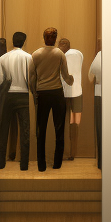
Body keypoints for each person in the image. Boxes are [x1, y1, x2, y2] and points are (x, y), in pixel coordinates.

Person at [29, 27, 74, 171]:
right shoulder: (59, 54)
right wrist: (72, 80)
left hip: (42, 93)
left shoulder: (35, 54)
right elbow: (66, 76)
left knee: (41, 130)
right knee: (59, 129)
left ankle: (41, 165)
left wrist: (34, 92)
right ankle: (57, 163)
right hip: (56, 93)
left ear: (44, 38)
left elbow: (31, 78)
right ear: (55, 38)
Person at [0, 31, 33, 170]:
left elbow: (0, 80)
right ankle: (24, 164)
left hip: (7, 95)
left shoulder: (3, 58)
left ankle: (1, 163)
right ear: (24, 42)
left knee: (3, 129)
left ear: (13, 41)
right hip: (23, 94)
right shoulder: (28, 57)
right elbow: (31, 78)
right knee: (25, 130)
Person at [58, 37, 84, 161]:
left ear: (64, 45)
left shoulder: (64, 56)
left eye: (60, 45)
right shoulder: (79, 54)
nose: (58, 47)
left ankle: (66, 152)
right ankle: (73, 152)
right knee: (75, 123)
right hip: (78, 94)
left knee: (64, 123)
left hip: (65, 95)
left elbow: (66, 75)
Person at [88, 40, 102, 169]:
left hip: (99, 94)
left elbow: (90, 77)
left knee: (100, 130)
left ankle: (101, 163)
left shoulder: (99, 57)